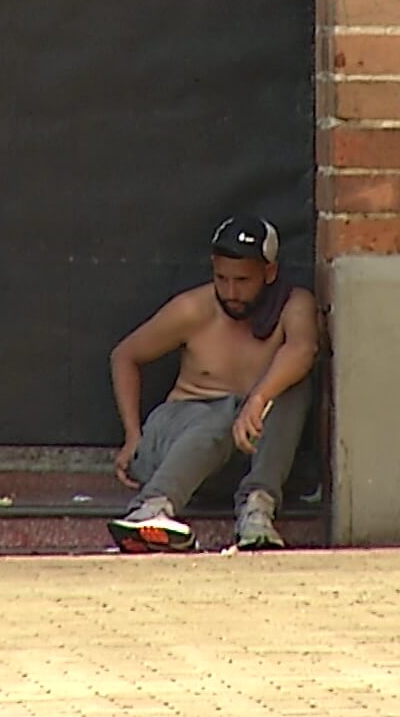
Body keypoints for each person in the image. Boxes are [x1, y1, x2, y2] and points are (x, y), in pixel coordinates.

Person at [106, 215, 319, 553]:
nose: (231, 292)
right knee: (223, 413)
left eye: (243, 280)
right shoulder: (194, 309)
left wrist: (260, 397)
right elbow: (125, 356)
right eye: (222, 278)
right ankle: (151, 509)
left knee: (291, 385)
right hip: (180, 438)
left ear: (270, 273)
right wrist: (132, 436)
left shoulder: (293, 305)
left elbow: (303, 348)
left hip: (243, 457)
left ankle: (257, 509)